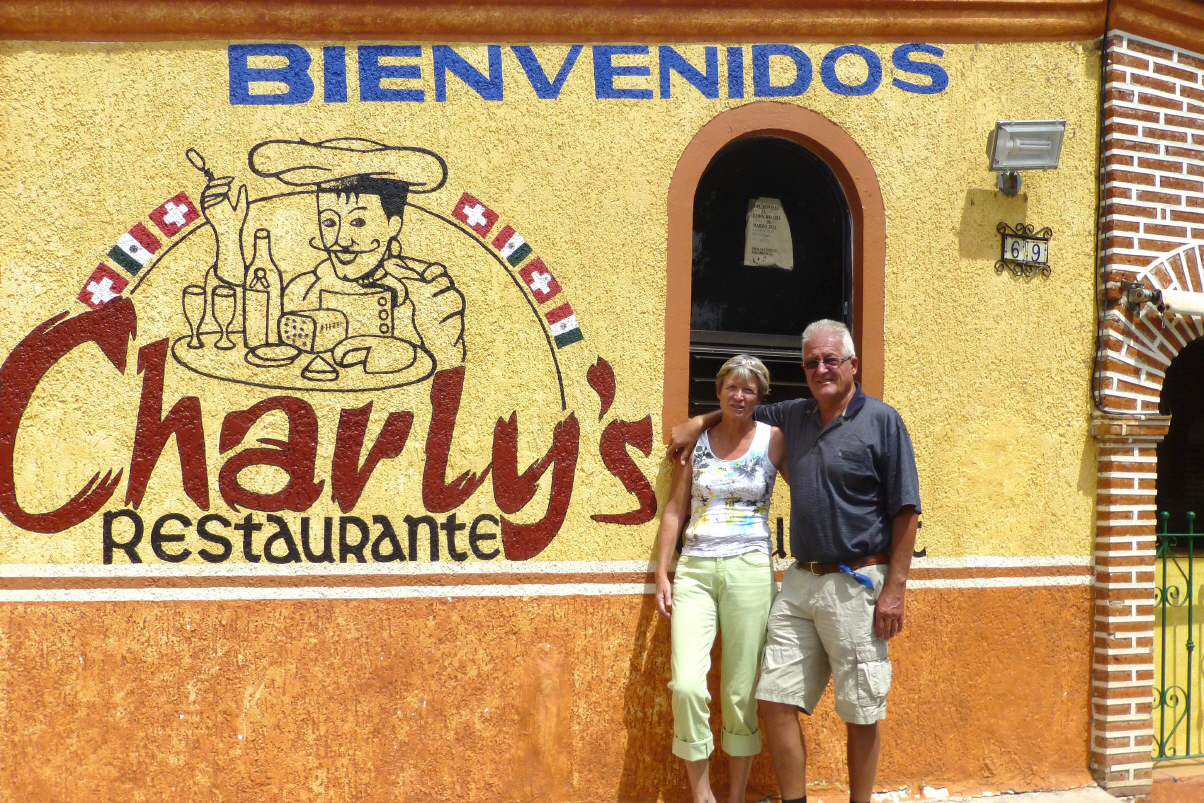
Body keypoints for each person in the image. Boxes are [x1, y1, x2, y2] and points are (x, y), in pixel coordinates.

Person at [669, 320, 920, 803]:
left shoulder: (882, 420)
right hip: (802, 581)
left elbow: (906, 509)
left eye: (831, 360)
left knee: (860, 709)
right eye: (811, 363)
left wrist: (895, 588)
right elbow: (740, 405)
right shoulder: (796, 414)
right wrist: (699, 422)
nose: (821, 369)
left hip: (858, 581)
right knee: (773, 699)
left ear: (853, 364)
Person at [204, 137, 466, 374]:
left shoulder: (423, 291)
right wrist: (228, 233)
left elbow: (451, 377)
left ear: (393, 226)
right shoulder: (305, 289)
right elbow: (253, 312)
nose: (342, 240)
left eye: (359, 222)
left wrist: (434, 339)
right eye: (329, 222)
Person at [655, 354, 787, 803]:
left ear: (760, 396)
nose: (739, 396)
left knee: (739, 691)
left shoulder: (774, 439)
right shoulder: (697, 442)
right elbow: (674, 510)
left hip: (750, 569)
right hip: (695, 569)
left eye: (749, 389)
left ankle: (735, 796)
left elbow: (808, 488)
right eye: (732, 387)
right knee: (687, 687)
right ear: (718, 391)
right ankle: (702, 795)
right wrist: (663, 574)